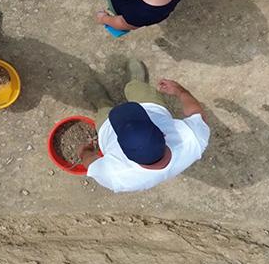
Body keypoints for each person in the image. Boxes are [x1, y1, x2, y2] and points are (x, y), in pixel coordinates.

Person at [79, 60, 209, 193]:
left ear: (124, 154)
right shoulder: (193, 139)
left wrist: (85, 152)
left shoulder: (115, 177)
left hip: (107, 129)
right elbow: (198, 114)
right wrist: (180, 91)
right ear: (163, 134)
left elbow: (90, 163)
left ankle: (100, 101)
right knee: (136, 88)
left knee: (104, 111)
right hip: (152, 108)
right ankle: (136, 82)